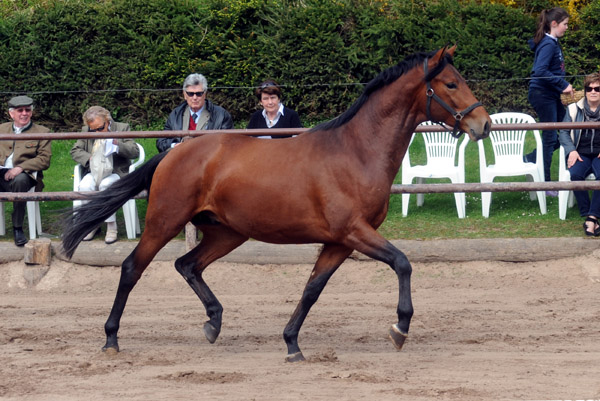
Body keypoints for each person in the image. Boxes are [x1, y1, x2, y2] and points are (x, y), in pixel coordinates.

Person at [70, 106, 140, 244]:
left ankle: (111, 226)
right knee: (84, 186)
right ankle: (92, 224)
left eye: (100, 128)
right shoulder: (86, 131)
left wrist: (117, 143)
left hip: (116, 171)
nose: (97, 133)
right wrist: (90, 159)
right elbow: (75, 150)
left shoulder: (122, 127)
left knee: (106, 185)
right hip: (94, 171)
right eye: (93, 130)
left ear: (108, 121)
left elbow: (134, 151)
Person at [525, 7, 573, 197]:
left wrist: (560, 88)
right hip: (542, 95)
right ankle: (545, 185)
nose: (567, 28)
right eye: (565, 24)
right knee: (551, 137)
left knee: (565, 134)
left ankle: (531, 158)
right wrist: (562, 84)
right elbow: (540, 71)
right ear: (554, 24)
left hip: (551, 95)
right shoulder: (548, 44)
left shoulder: (553, 42)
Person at [0, 96, 51, 246]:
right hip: (1, 173)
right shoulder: (1, 129)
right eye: (20, 110)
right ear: (11, 113)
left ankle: (17, 228)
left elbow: (44, 160)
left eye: (27, 110)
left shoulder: (42, 131)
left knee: (20, 181)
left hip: (25, 176)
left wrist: (20, 168)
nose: (24, 113)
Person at [559, 73, 600, 236]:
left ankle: (591, 218)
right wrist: (571, 150)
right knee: (575, 174)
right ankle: (588, 212)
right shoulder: (573, 109)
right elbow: (563, 132)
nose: (593, 91)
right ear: (585, 91)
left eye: (597, 88)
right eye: (589, 88)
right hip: (580, 152)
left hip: (598, 154)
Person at [156, 73, 233, 152]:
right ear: (184, 94)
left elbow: (228, 144)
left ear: (205, 94)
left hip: (208, 161)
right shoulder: (175, 114)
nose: (195, 98)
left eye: (199, 94)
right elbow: (161, 142)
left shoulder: (221, 115)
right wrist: (175, 145)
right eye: (191, 94)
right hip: (180, 159)